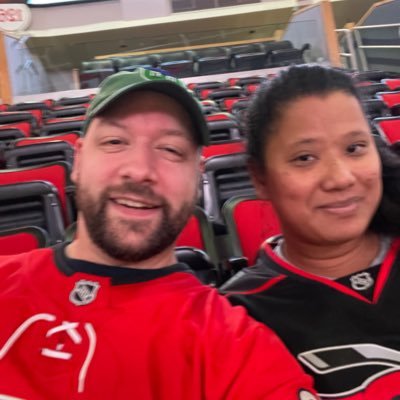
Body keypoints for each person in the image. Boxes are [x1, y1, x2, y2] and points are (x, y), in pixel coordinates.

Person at [0, 67, 318, 400]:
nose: (139, 170)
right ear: (78, 160)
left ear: (197, 178)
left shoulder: (234, 347)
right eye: (114, 142)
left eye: (170, 150)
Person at [221, 64, 400, 400]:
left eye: (354, 148)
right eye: (305, 158)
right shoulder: (240, 314)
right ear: (260, 178)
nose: (341, 178)